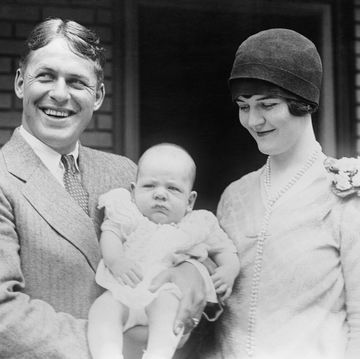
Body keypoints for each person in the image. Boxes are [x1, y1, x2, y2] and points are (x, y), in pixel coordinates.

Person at [0, 18, 208, 359]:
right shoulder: (4, 180)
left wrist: (190, 273)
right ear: (21, 83)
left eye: (77, 82)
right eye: (46, 76)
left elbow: (180, 238)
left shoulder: (125, 172)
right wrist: (119, 343)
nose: (60, 93)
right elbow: (3, 316)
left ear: (97, 96)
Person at [199, 28, 360, 359]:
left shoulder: (346, 193)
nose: (253, 120)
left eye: (267, 105)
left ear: (304, 102)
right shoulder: (235, 195)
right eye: (243, 106)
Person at [88, 143, 240, 359]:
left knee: (168, 311)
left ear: (190, 200)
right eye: (149, 186)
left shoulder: (197, 224)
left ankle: (158, 354)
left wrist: (229, 269)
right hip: (123, 291)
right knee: (102, 310)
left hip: (163, 293)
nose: (160, 194)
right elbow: (110, 233)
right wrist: (116, 261)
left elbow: (226, 250)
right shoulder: (128, 214)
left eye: (173, 188)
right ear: (133, 191)